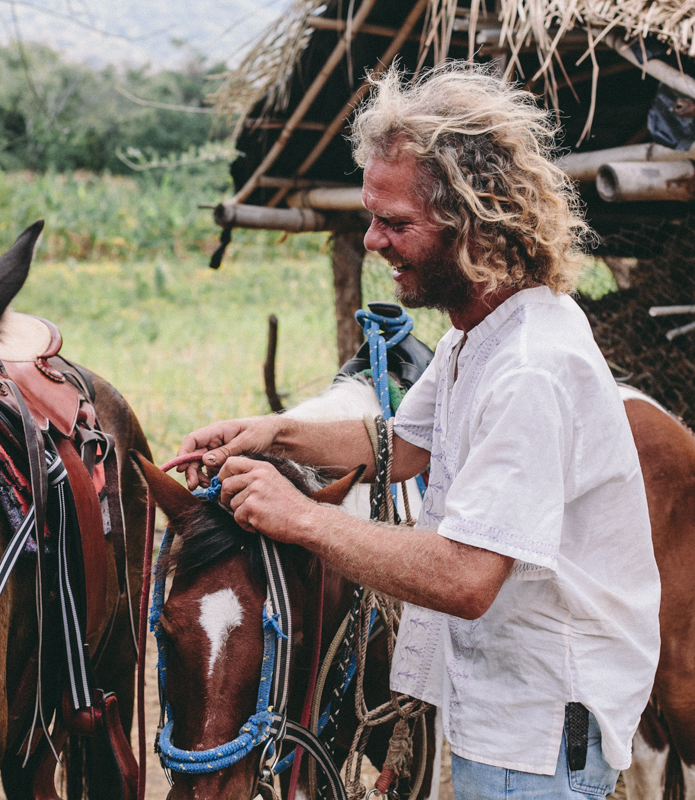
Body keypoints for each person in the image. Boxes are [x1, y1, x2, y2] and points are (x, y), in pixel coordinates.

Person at [177, 64, 661, 800]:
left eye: (396, 223)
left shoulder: (529, 369)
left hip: (532, 731)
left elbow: (467, 580)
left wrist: (300, 517)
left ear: (474, 223)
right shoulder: (482, 332)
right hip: (505, 707)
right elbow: (404, 445)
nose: (373, 240)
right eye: (373, 217)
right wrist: (271, 435)